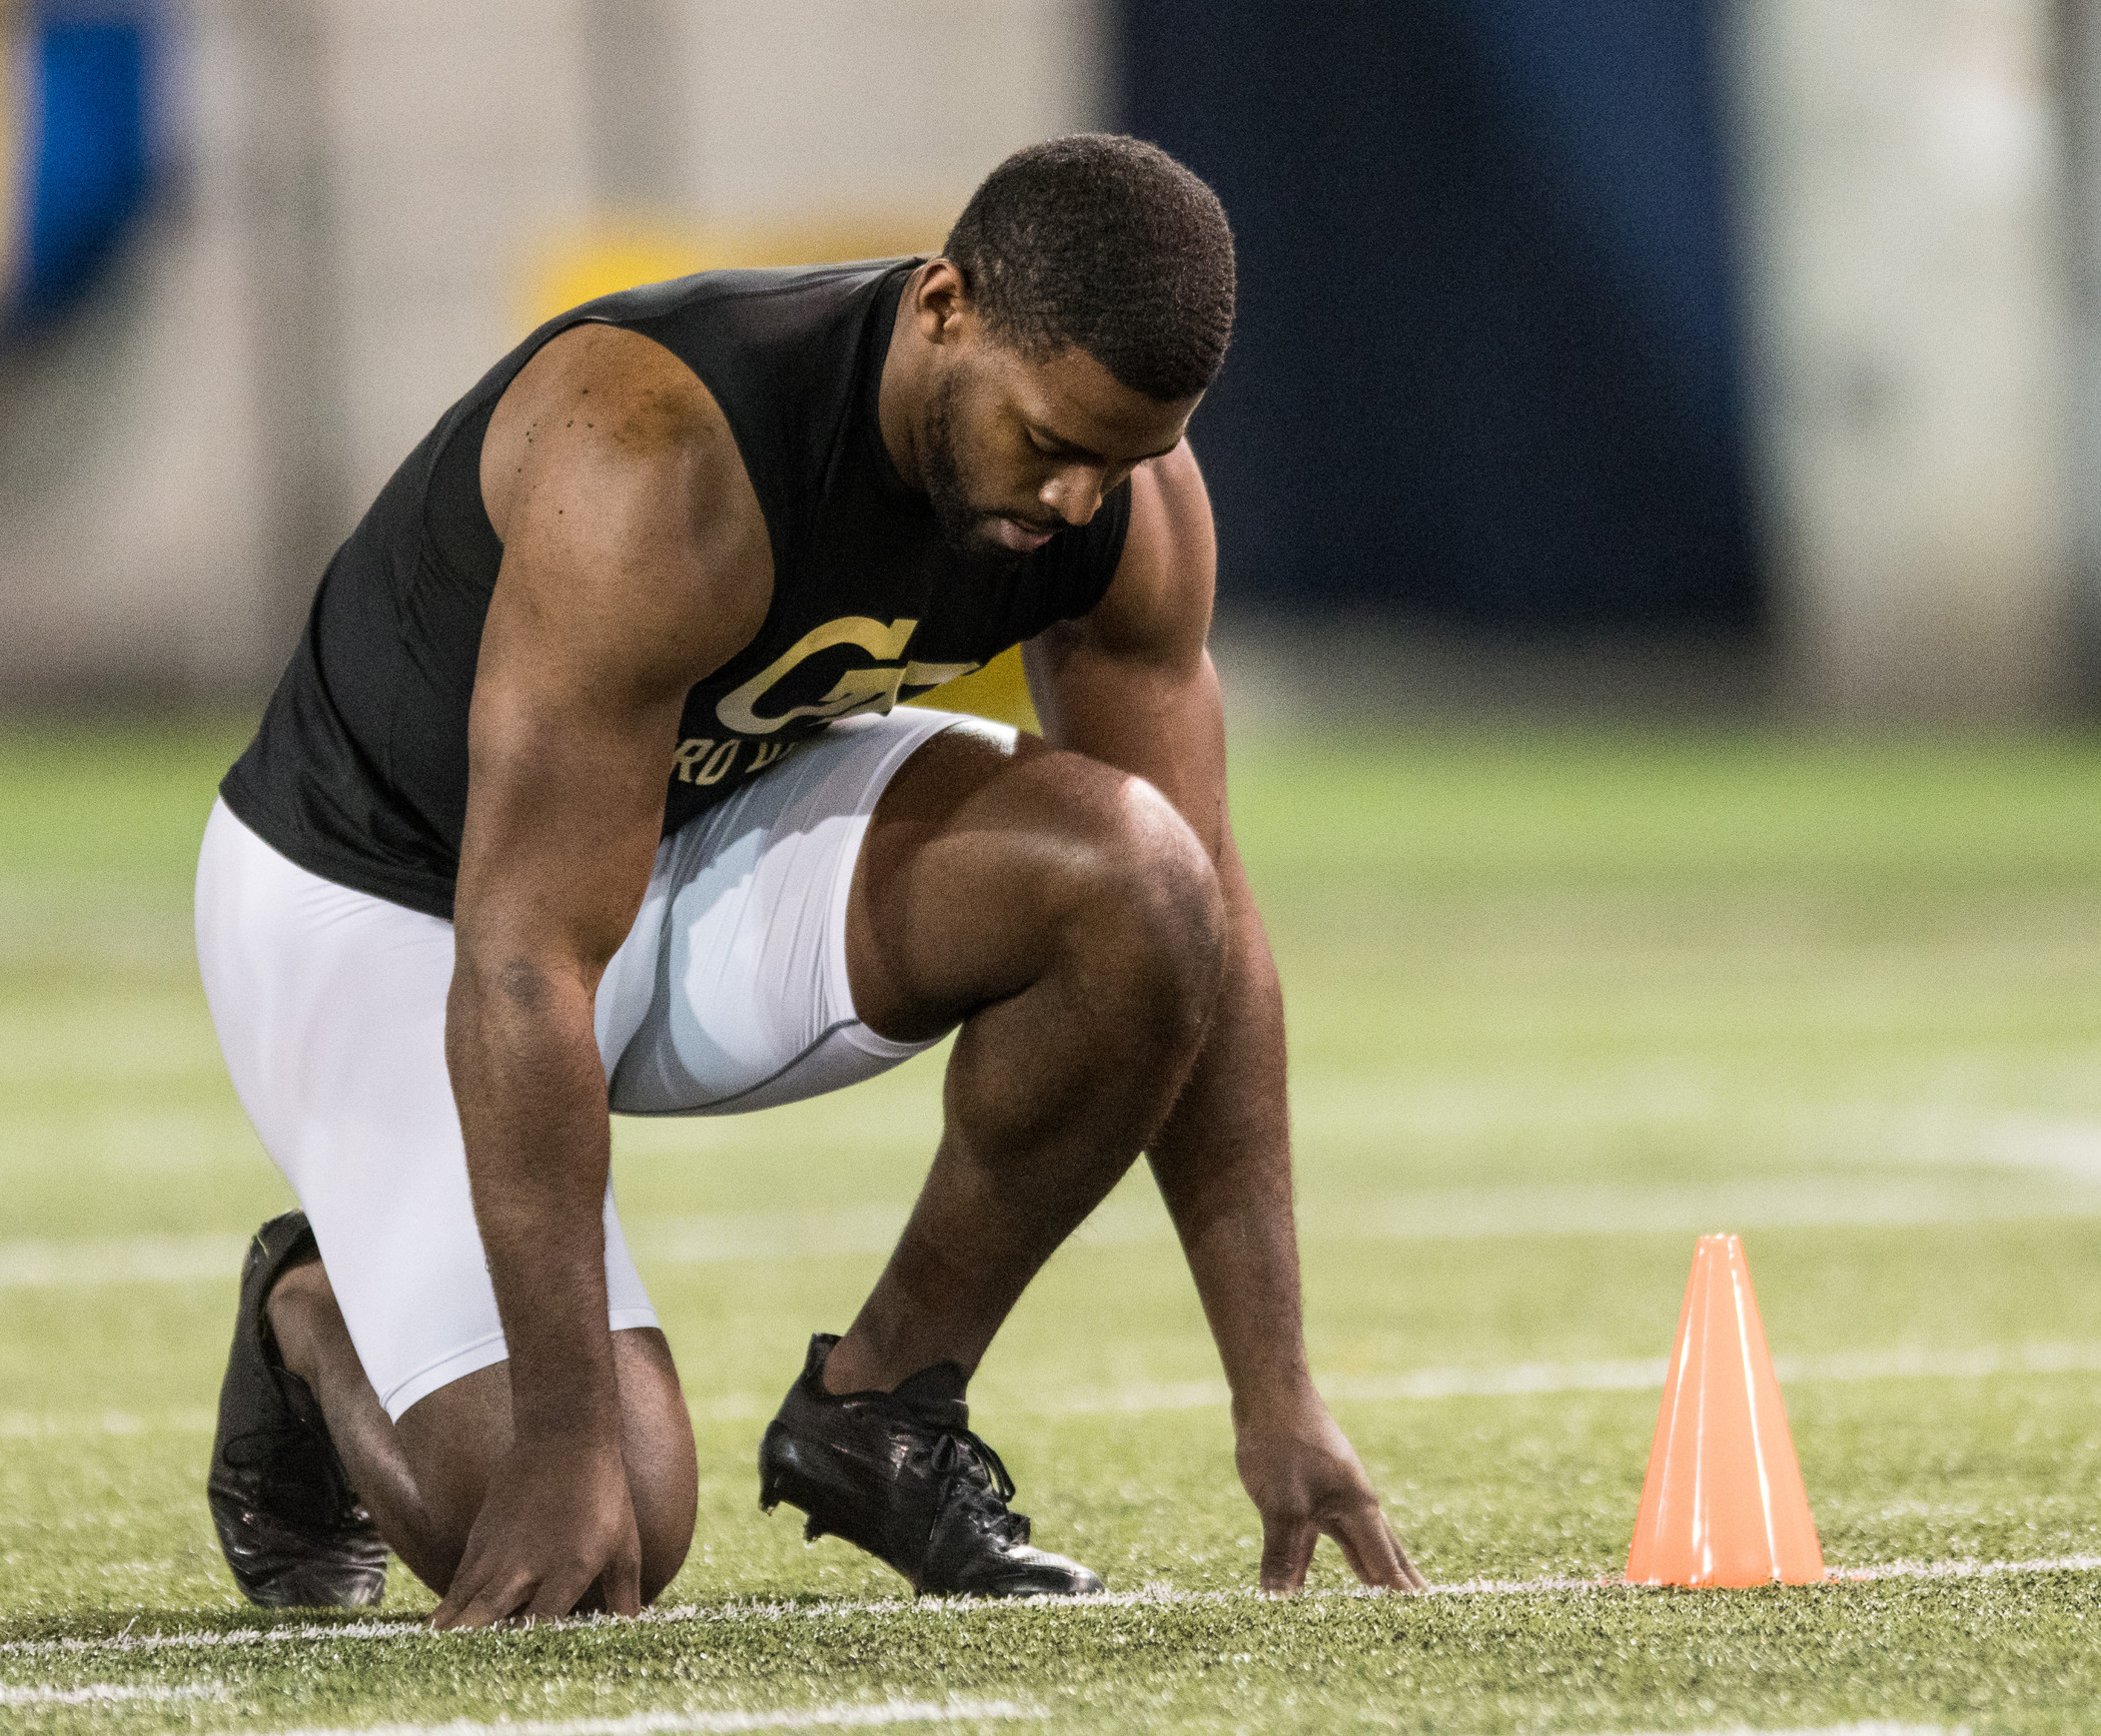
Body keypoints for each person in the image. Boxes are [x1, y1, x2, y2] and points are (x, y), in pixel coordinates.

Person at [194, 133, 1425, 1628]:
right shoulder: (654, 451)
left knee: (1152, 888)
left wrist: (1277, 1390)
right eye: (1051, 441)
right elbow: (522, 959)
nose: (1081, 497)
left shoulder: (1123, 501)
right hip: (392, 897)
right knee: (608, 1525)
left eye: (1128, 456)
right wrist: (566, 1441)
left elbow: (1210, 937)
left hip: (694, 832)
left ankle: (884, 1405)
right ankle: (313, 1314)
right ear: (945, 306)